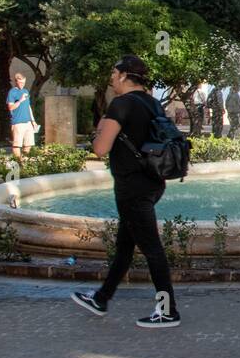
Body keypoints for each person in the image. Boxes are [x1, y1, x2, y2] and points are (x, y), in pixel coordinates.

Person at [72, 55, 180, 328]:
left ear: (123, 75)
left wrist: (99, 131)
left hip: (132, 188)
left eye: (113, 73)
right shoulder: (153, 103)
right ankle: (101, 298)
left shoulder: (121, 105)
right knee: (124, 247)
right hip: (153, 183)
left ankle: (168, 311)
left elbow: (100, 149)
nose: (111, 78)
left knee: (152, 249)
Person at [6, 73, 38, 159]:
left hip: (28, 122)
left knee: (29, 144)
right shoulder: (12, 92)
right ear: (16, 82)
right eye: (20, 83)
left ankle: (24, 161)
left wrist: (33, 121)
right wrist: (20, 100)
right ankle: (18, 163)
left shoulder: (26, 91)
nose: (22, 85)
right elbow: (10, 107)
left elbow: (28, 107)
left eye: (23, 83)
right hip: (18, 122)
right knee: (17, 145)